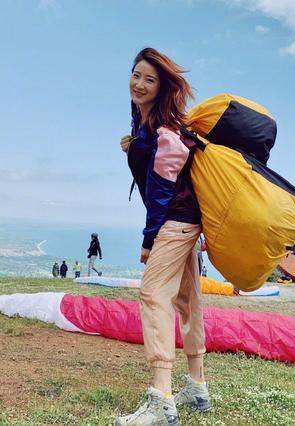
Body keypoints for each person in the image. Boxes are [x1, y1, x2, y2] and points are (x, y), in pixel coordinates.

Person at [115, 47, 210, 426]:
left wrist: (149, 239)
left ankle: (161, 400)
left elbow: (161, 189)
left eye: (149, 79)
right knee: (187, 299)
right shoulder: (149, 125)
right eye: (136, 74)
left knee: (153, 294)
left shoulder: (164, 130)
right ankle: (197, 387)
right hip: (186, 222)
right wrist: (133, 144)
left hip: (173, 221)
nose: (139, 84)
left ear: (162, 87)